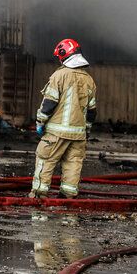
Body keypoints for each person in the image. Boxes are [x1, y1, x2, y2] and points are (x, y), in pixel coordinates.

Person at [30, 38, 97, 198]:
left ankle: (39, 197)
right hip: (79, 135)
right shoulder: (89, 80)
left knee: (45, 160)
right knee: (73, 165)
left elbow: (48, 104)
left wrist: (40, 123)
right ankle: (67, 198)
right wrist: (86, 131)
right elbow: (92, 111)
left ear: (63, 55)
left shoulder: (59, 75)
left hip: (56, 133)